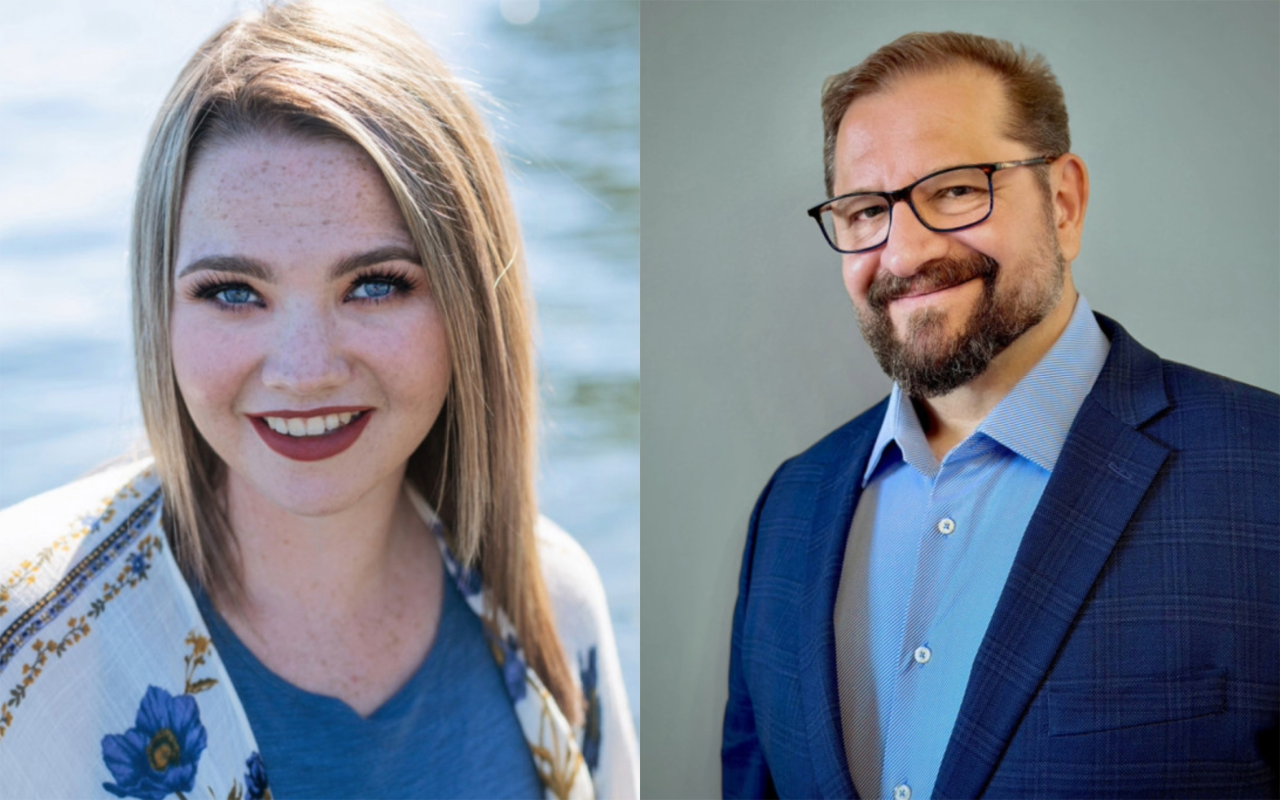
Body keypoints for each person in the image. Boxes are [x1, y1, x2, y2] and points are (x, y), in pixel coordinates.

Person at [0, 3, 637, 799]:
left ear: (470, 304)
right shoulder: (19, 640)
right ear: (159, 308)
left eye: (375, 284)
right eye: (233, 291)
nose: (304, 371)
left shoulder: (553, 601)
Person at [722, 31, 1278, 800]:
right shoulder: (789, 510)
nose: (905, 251)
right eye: (863, 210)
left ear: (1064, 202)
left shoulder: (1263, 474)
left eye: (954, 189)